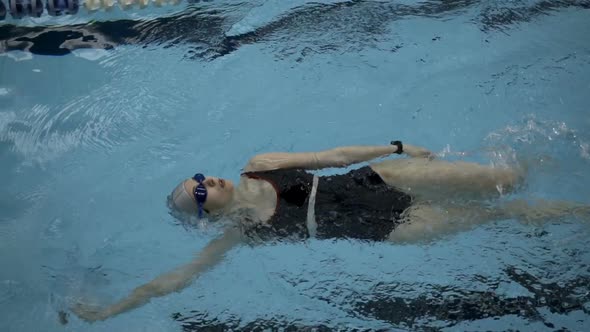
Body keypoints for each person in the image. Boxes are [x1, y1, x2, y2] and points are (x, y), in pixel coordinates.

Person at [70, 140, 589, 322]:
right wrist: (115, 309)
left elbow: (334, 156)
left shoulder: (260, 164)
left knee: (508, 179)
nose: (209, 181)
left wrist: (396, 146)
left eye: (200, 177)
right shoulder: (247, 233)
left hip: (381, 178)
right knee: (503, 214)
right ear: (206, 214)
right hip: (390, 227)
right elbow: (179, 278)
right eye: (200, 193)